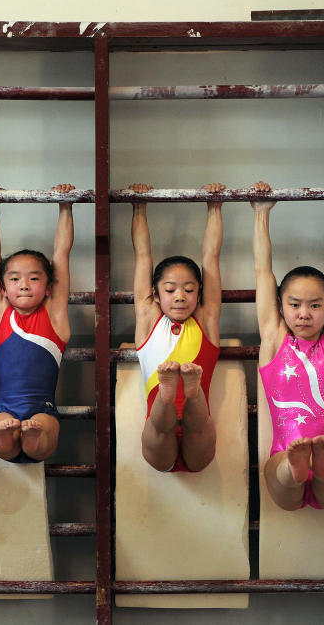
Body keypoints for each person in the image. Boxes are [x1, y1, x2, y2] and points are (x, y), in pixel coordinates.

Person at [252, 182, 324, 510]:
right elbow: (262, 272)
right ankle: (297, 469)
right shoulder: (274, 339)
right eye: (295, 304)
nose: (304, 314)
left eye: (315, 305)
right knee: (282, 472)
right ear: (281, 306)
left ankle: (321, 467)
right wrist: (261, 213)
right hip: (283, 453)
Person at [131, 184, 224, 472]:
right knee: (160, 426)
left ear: (199, 294)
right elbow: (143, 256)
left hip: (199, 438)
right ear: (155, 295)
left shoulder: (206, 321)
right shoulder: (149, 319)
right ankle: (169, 394)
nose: (180, 296)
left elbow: (211, 257)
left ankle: (188, 391)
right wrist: (139, 206)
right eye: (170, 290)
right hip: (159, 438)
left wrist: (214, 206)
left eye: (189, 289)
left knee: (197, 426)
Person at [0, 184, 74, 463]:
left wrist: (66, 206)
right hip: (3, 411)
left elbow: (62, 254)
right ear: (2, 287)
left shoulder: (54, 314)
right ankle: (5, 437)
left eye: (34, 278)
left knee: (42, 433)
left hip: (44, 412)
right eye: (15, 279)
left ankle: (32, 436)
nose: (24, 285)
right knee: (1, 434)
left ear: (48, 287)